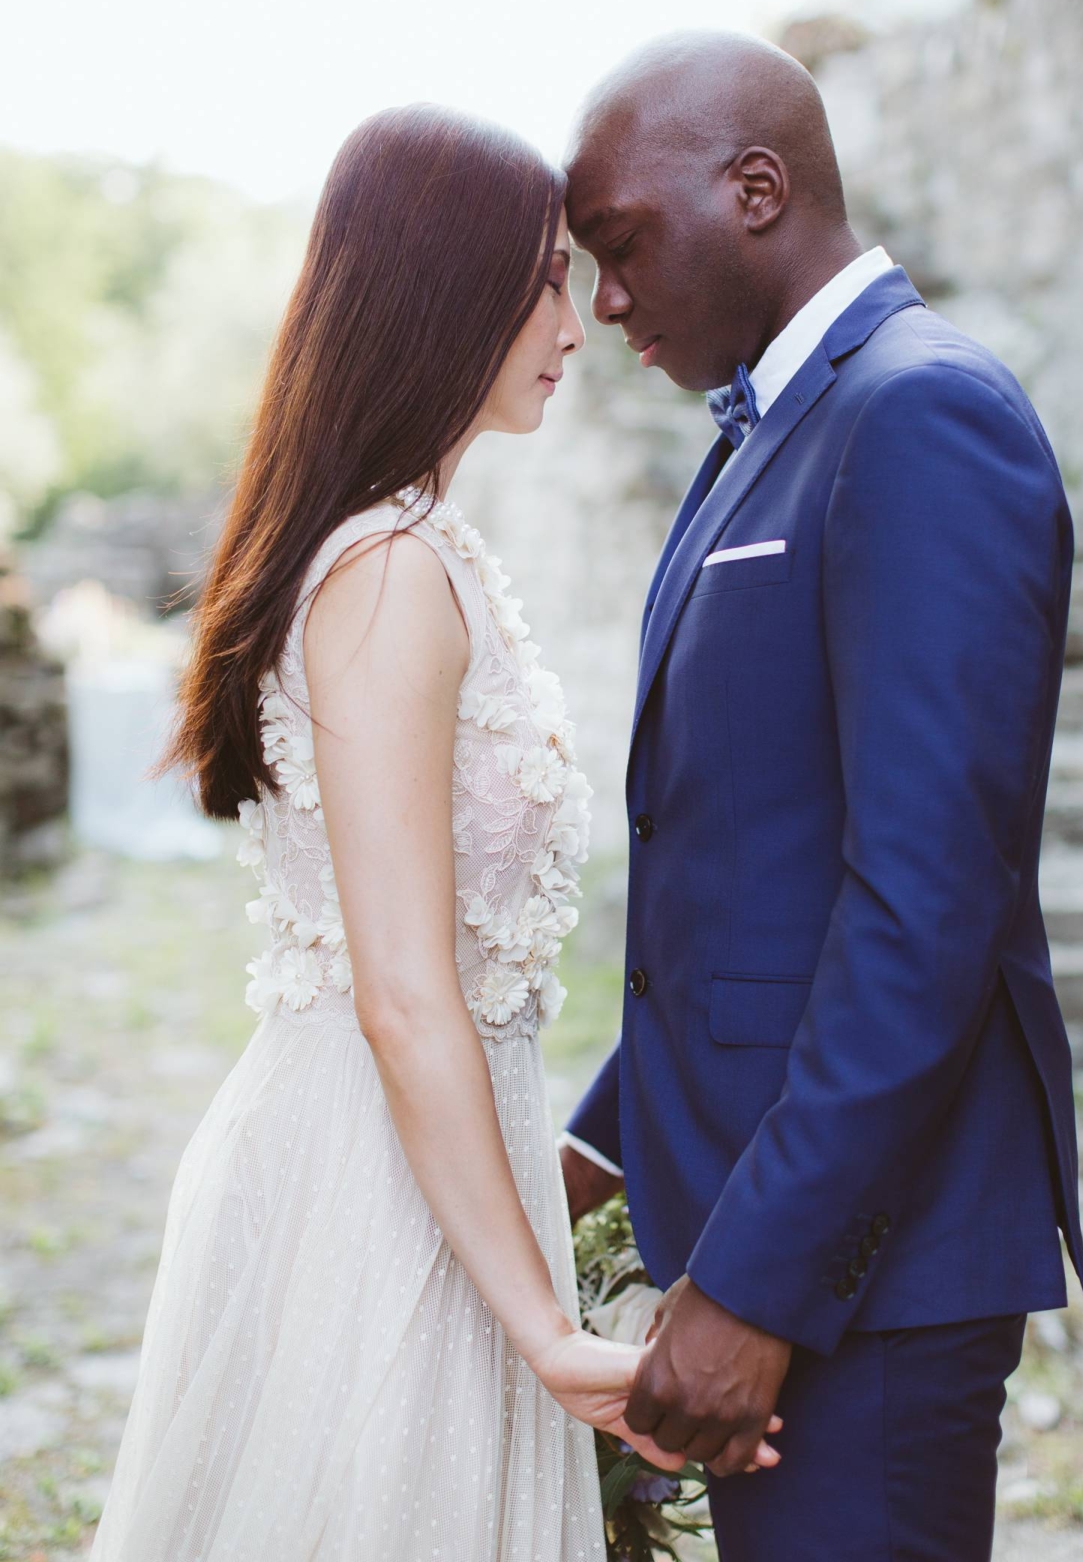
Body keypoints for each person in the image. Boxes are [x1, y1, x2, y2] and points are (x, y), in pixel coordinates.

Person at [89, 104, 776, 1562]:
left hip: (447, 1153)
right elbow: (405, 994)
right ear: (435, 287)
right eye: (541, 276)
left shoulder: (415, 546)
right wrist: (541, 1324)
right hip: (377, 1184)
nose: (580, 321)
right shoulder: (391, 574)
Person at [561, 31, 1083, 1562]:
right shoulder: (756, 440)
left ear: (756, 189)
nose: (602, 300)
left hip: (869, 1273)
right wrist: (596, 1151)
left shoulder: (924, 418)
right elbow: (749, 880)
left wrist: (752, 1287)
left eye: (620, 245)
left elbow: (927, 900)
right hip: (760, 1211)